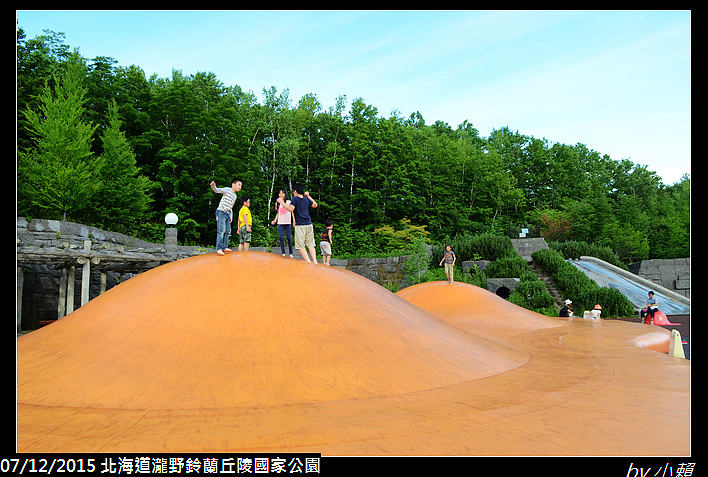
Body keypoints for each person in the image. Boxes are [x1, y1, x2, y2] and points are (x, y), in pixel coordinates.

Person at [278, 183, 318, 263]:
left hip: (300, 225)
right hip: (309, 224)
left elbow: (291, 209)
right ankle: (315, 261)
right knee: (310, 244)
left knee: (300, 246)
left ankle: (308, 261)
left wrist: (282, 203)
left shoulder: (295, 199)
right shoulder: (306, 199)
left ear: (295, 191)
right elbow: (315, 205)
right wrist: (308, 196)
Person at [210, 179, 242, 255]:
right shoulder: (228, 190)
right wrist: (213, 186)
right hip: (221, 212)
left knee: (228, 231)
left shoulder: (235, 196)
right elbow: (217, 190)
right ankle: (219, 248)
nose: (240, 187)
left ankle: (224, 247)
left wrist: (231, 217)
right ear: (233, 184)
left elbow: (231, 207)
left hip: (227, 214)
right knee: (221, 230)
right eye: (239, 185)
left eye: (241, 186)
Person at [271, 189, 294, 257]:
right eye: (280, 193)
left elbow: (292, 212)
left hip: (288, 222)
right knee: (281, 237)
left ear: (285, 194)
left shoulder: (289, 202)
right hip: (280, 222)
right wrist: (275, 220)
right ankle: (283, 252)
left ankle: (291, 253)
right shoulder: (277, 203)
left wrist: (294, 221)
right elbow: (278, 213)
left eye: (282, 193)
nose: (281, 195)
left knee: (289, 237)